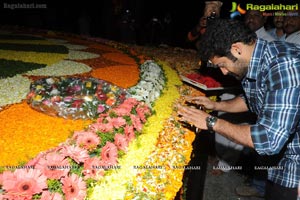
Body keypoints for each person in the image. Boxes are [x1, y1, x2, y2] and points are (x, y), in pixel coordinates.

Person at [177, 19, 300, 200]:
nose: (224, 73)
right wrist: (216, 105)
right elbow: (256, 98)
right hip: (281, 159)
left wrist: (211, 122)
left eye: (222, 65)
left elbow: (269, 140)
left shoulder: (284, 66)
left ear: (236, 49)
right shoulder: (261, 57)